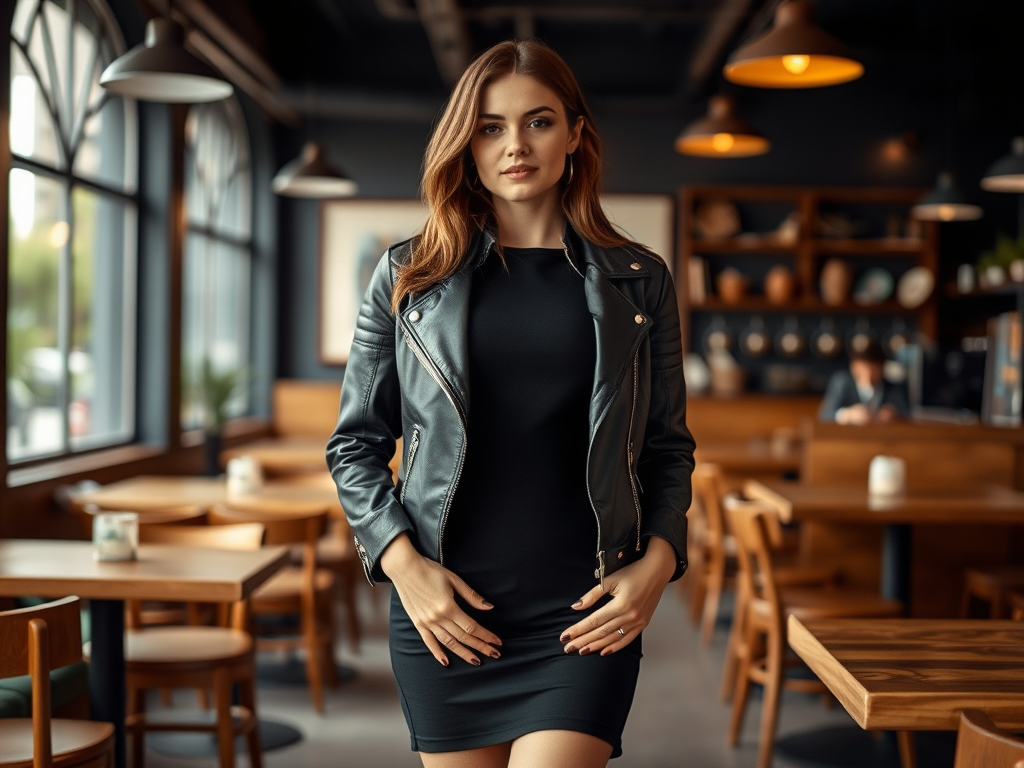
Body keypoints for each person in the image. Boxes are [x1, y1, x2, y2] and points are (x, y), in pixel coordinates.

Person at [326, 39, 695, 768]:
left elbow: (666, 447)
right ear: (466, 142)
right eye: (491, 127)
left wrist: (659, 562)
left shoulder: (638, 280)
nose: (515, 146)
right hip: (446, 606)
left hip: (586, 612)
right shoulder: (406, 276)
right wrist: (403, 567)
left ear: (575, 134)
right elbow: (355, 446)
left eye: (539, 121)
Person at [818, 338, 910, 424]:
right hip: (850, 438)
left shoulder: (895, 388)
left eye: (873, 369)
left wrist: (894, 414)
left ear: (882, 368)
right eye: (863, 368)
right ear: (853, 367)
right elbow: (825, 414)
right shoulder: (842, 383)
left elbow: (909, 414)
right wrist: (848, 414)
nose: (868, 374)